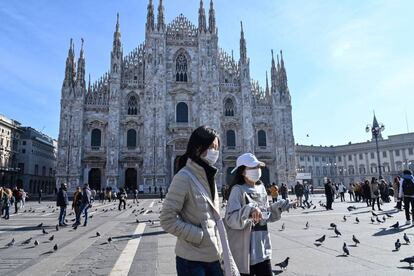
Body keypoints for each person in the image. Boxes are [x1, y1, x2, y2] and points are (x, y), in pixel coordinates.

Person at [160, 126, 226, 276]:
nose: (215, 152)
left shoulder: (209, 177)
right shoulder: (184, 177)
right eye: (212, 147)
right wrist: (199, 235)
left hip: (213, 256)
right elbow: (166, 219)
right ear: (198, 148)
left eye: (217, 148)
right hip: (192, 261)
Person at [224, 153, 292, 276]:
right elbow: (230, 219)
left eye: (258, 167)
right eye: (252, 168)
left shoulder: (261, 188)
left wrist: (278, 208)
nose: (257, 170)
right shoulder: (237, 190)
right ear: (243, 171)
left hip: (262, 248)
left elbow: (264, 217)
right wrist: (249, 210)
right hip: (245, 250)